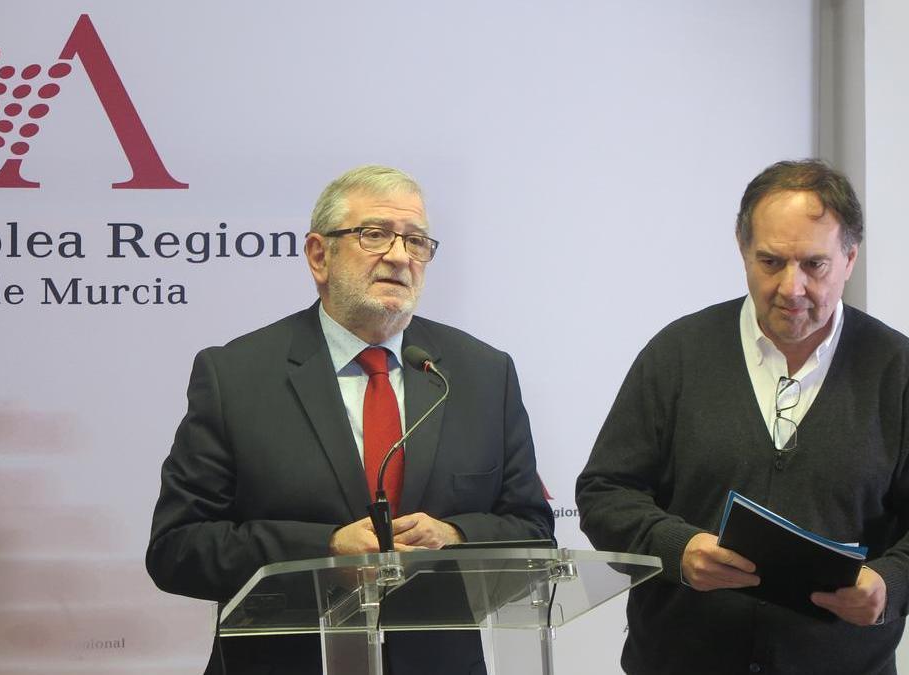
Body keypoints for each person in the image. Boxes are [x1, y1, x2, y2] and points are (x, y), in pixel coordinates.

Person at [147, 164, 554, 674]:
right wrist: (326, 551)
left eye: (416, 241)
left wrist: (454, 536)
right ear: (319, 255)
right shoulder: (235, 376)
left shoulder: (482, 375)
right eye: (375, 235)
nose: (400, 256)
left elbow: (534, 533)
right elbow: (177, 548)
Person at [576, 159, 909, 674]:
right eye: (771, 261)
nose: (791, 288)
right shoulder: (678, 354)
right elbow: (604, 492)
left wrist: (890, 583)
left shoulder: (897, 370)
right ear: (741, 248)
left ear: (850, 257)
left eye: (814, 265)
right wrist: (677, 548)